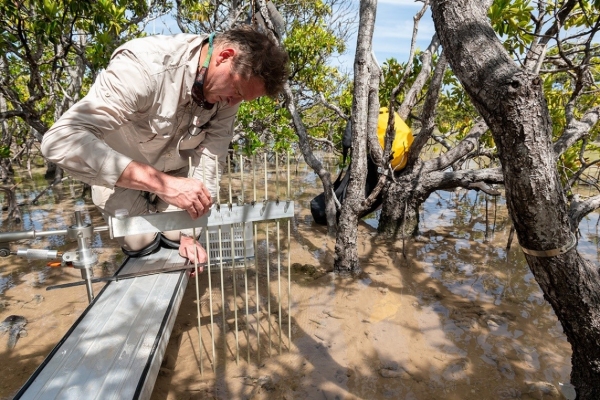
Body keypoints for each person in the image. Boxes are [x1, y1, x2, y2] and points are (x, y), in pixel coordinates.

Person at [41, 26, 290, 269]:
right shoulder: (144, 66)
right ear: (225, 57)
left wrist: (193, 230)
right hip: (123, 174)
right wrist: (163, 185)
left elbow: (211, 157)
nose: (233, 102)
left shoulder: (228, 94)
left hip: (177, 171)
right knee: (140, 242)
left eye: (241, 99)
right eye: (236, 91)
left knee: (178, 235)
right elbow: (60, 140)